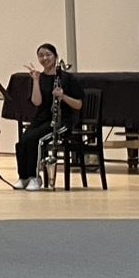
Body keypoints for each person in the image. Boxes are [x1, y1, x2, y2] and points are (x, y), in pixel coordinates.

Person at [17, 43, 84, 191]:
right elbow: (37, 102)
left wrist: (63, 96)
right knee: (23, 141)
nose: (44, 58)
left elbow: (79, 104)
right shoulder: (39, 77)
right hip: (42, 119)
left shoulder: (66, 78)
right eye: (41, 55)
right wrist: (35, 81)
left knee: (37, 140)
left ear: (55, 56)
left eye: (48, 54)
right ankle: (24, 177)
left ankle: (35, 177)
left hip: (62, 121)